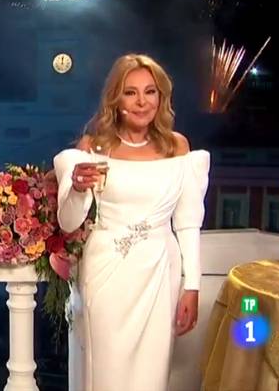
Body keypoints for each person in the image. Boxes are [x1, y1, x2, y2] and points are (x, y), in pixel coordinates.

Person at [54, 54, 209, 391]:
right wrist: (77, 188)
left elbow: (187, 222)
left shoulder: (178, 148)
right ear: (116, 99)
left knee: (150, 376)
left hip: (160, 273)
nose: (142, 102)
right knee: (105, 372)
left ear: (161, 98)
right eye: (130, 92)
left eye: (150, 92)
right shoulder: (93, 147)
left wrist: (193, 285)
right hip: (105, 271)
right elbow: (68, 223)